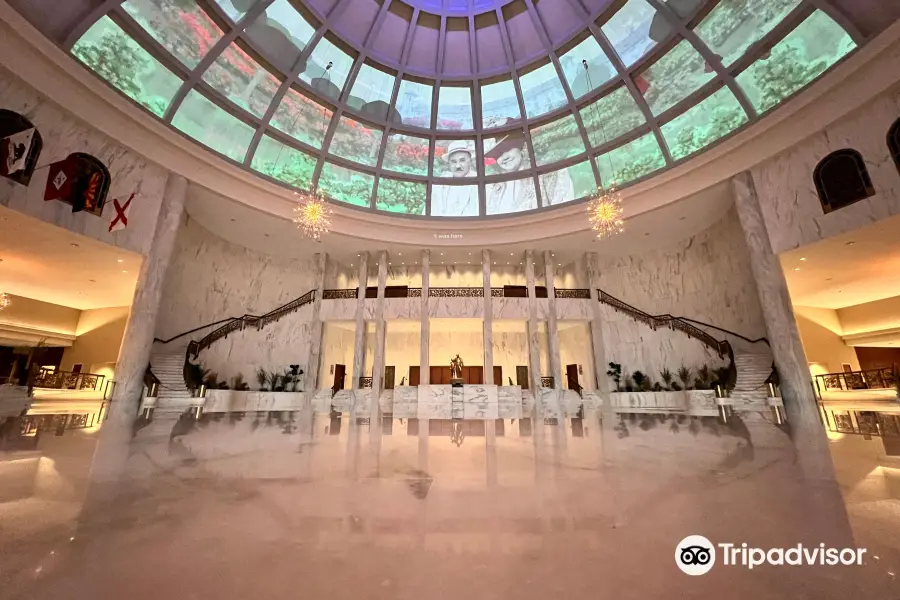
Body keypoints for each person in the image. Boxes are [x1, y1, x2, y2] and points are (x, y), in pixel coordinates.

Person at [484, 128, 537, 214]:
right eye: (498, 154)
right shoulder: (494, 186)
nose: (504, 157)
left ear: (520, 147)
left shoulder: (543, 174)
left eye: (508, 149)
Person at [431, 140, 478, 216]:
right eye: (453, 161)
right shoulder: (441, 182)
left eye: (462, 160)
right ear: (449, 163)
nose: (458, 166)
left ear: (469, 161)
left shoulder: (477, 181)